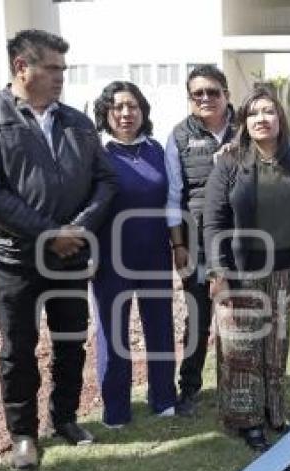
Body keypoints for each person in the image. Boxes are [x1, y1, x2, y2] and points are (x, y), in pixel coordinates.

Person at [0, 30, 118, 469]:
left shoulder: (78, 123)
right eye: (51, 68)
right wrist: (49, 233)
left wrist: (77, 230)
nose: (60, 77)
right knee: (18, 348)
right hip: (15, 258)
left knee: (70, 342)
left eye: (63, 69)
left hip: (70, 256)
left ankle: (64, 417)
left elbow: (106, 181)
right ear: (21, 67)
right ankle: (23, 434)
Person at [204, 87, 290, 451]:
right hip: (241, 269)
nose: (261, 119)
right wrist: (219, 271)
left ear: (281, 118)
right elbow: (213, 220)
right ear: (244, 122)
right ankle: (247, 420)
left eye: (269, 112)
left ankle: (273, 410)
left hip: (283, 269)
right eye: (253, 113)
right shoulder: (230, 162)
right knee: (243, 347)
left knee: (275, 344)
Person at [91, 81, 178, 428]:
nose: (126, 114)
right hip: (111, 258)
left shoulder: (157, 150)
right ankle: (116, 410)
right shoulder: (97, 154)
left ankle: (163, 398)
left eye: (133, 107)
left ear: (143, 111)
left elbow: (174, 200)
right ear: (106, 113)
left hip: (155, 253)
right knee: (113, 334)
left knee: (160, 327)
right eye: (117, 107)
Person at [165, 65, 235, 416]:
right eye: (198, 94)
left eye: (213, 91)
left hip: (241, 242)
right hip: (196, 244)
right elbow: (173, 196)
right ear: (190, 99)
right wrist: (178, 245)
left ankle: (235, 386)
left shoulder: (246, 128)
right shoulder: (179, 136)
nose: (206, 98)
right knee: (198, 317)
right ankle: (189, 389)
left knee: (241, 316)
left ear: (226, 94)